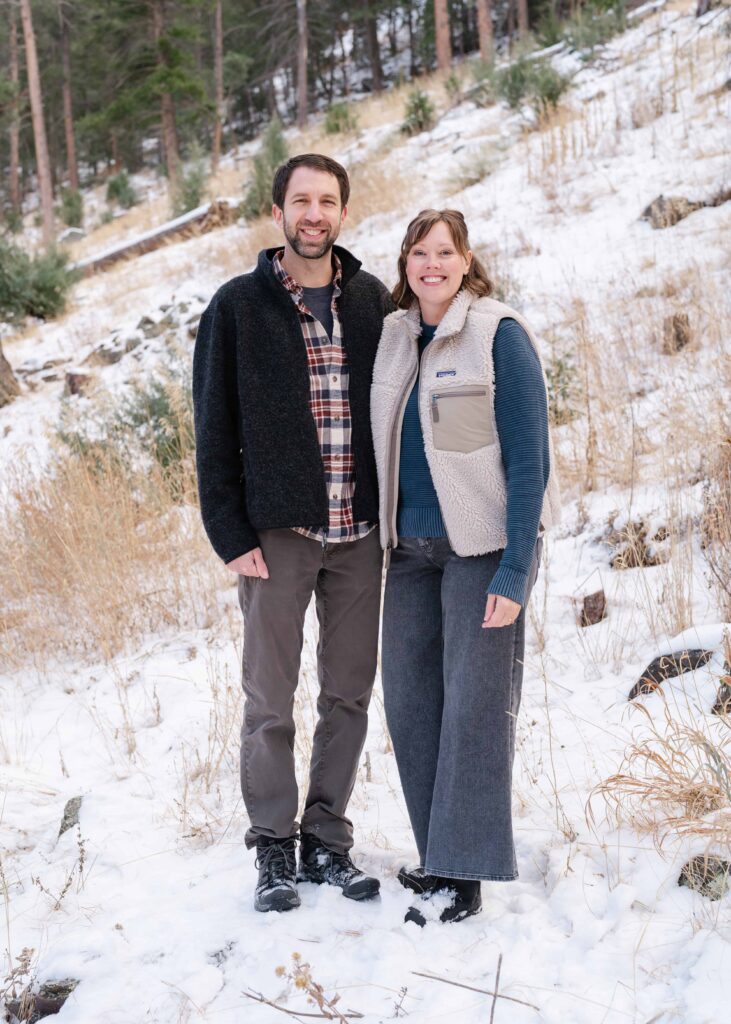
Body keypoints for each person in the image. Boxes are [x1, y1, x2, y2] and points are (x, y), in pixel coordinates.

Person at [192, 154, 394, 913]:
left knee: (347, 695)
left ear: (342, 212)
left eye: (328, 201)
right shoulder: (237, 306)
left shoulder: (372, 300)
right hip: (276, 535)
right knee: (269, 701)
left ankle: (327, 842)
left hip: (361, 533)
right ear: (277, 211)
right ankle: (273, 847)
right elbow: (212, 426)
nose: (314, 213)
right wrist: (227, 529)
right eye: (301, 200)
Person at [371, 209, 561, 926]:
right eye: (419, 253)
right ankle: (436, 854)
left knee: (473, 709)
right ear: (405, 262)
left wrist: (517, 570)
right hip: (407, 554)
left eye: (443, 252)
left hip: (477, 551)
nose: (431, 265)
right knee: (412, 705)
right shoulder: (392, 338)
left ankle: (466, 873)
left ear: (465, 259)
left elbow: (528, 459)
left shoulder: (496, 335)